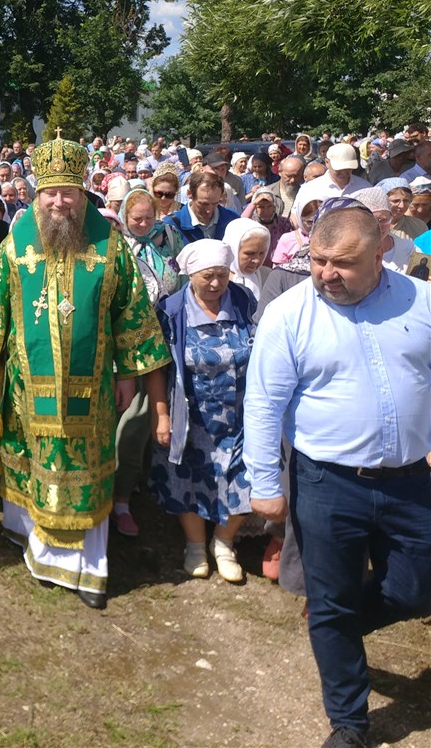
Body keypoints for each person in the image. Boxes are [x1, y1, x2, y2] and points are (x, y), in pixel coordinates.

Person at [0, 134, 171, 609]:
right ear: (37, 194)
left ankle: (88, 569)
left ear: (82, 194)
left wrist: (128, 374)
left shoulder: (109, 245)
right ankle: (33, 541)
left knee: (83, 472)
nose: (58, 201)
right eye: (49, 191)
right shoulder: (18, 242)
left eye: (67, 191)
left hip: (90, 389)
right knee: (32, 459)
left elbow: (130, 312)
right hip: (27, 387)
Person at [244, 206, 431, 748]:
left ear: (382, 251)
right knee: (332, 599)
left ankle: (337, 627)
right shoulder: (288, 314)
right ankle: (349, 724)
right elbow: (263, 403)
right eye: (319, 261)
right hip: (327, 482)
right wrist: (265, 484)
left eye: (343, 264)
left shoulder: (420, 302)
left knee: (417, 589)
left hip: (410, 481)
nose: (327, 274)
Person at [148, 239, 257, 582]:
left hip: (239, 414)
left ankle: (224, 543)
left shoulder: (243, 302)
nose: (215, 284)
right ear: (191, 275)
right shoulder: (171, 312)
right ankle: (195, 544)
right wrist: (162, 415)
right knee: (188, 478)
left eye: (222, 276)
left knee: (247, 476)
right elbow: (157, 368)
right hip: (191, 414)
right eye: (208, 276)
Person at [111, 186, 185, 536]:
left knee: (144, 421)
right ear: (124, 216)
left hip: (158, 340)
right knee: (119, 420)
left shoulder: (169, 240)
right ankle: (107, 494)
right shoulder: (113, 246)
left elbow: (184, 279)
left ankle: (127, 494)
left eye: (148, 218)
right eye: (135, 218)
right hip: (117, 345)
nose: (142, 224)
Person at [292, 143, 372, 223]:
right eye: (338, 170)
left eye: (348, 169)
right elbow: (295, 219)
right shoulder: (309, 189)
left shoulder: (366, 188)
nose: (343, 173)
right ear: (327, 162)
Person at [167, 171, 239, 243]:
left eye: (215, 204)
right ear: (189, 194)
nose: (209, 210)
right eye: (203, 204)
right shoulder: (170, 226)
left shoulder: (233, 220)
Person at [223, 218, 272, 301]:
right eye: (250, 253)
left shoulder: (269, 277)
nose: (257, 260)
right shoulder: (218, 279)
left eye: (261, 253)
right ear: (233, 250)